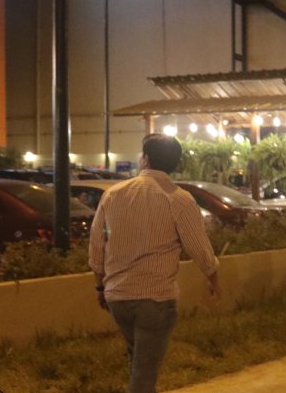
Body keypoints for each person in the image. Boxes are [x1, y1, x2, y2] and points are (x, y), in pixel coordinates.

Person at [89, 134, 221, 393]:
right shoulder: (178, 198)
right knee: (144, 372)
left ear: (145, 159)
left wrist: (99, 286)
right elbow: (199, 247)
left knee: (138, 360)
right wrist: (214, 280)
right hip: (155, 299)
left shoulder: (113, 194)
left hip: (118, 297)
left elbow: (97, 245)